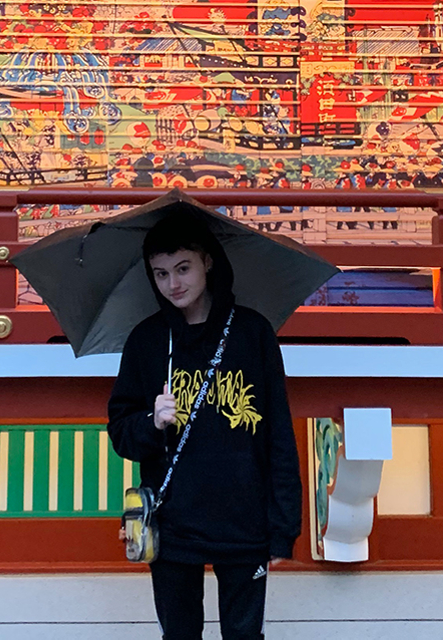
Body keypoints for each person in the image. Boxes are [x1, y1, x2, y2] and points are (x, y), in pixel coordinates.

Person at [107, 212, 302, 640]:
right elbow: (121, 432)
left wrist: (283, 528)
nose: (172, 284)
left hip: (244, 520)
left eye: (183, 268)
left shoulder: (253, 334)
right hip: (172, 523)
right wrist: (150, 422)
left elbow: (278, 436)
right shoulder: (147, 341)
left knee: (244, 635)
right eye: (160, 273)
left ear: (207, 262)